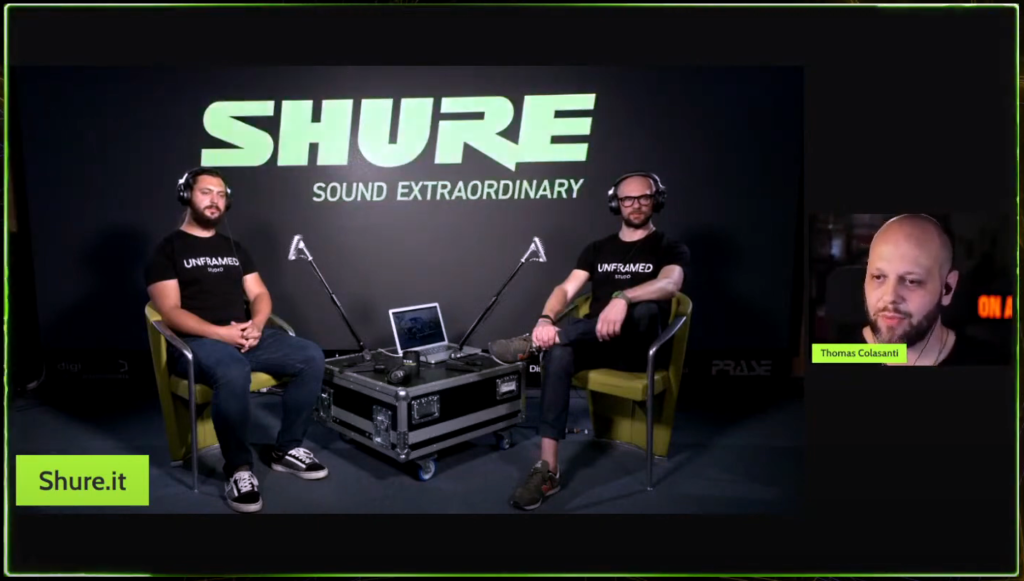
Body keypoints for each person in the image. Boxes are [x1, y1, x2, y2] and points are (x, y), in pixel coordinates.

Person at [489, 172, 690, 511]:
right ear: (616, 203)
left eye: (644, 197)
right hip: (594, 344)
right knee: (558, 354)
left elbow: (670, 284)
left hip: (637, 351)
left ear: (657, 199)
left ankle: (535, 343)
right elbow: (565, 289)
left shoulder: (669, 247)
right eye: (627, 199)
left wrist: (623, 297)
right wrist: (545, 319)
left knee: (642, 312)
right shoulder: (597, 249)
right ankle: (548, 469)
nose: (636, 204)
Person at [145, 167, 329, 514]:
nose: (214, 200)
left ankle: (286, 449)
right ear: (186, 195)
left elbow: (259, 294)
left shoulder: (234, 248)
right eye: (206, 192)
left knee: (310, 355)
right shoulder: (166, 250)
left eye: (220, 194)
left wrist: (256, 325)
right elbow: (169, 312)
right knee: (232, 370)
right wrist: (221, 334)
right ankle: (239, 469)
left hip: (244, 335)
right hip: (197, 342)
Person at [846, 213, 1000, 366]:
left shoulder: (991, 363)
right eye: (878, 277)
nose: (890, 296)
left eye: (911, 281)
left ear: (948, 288)